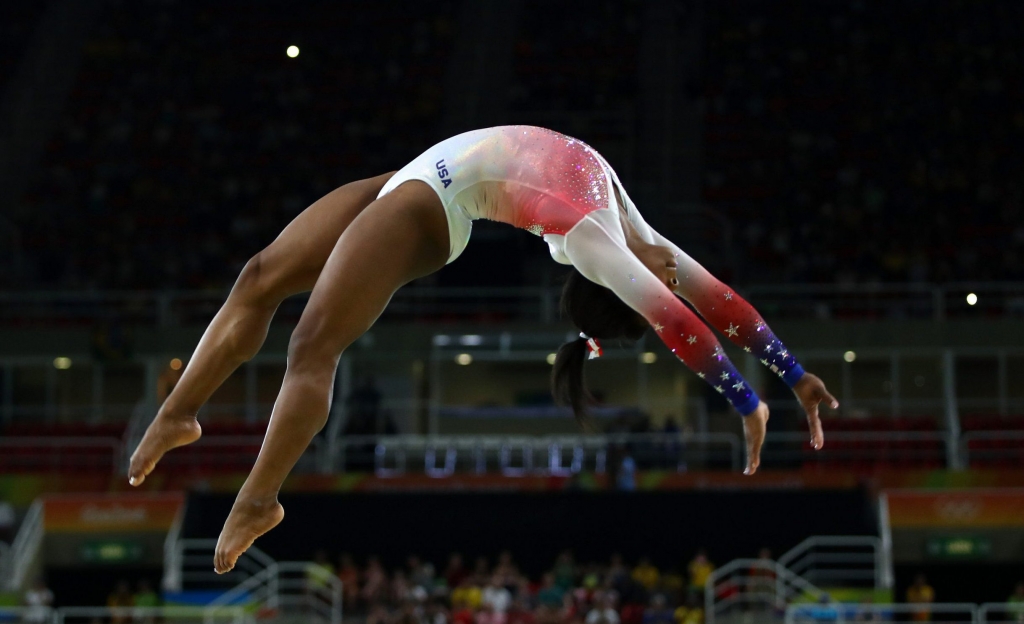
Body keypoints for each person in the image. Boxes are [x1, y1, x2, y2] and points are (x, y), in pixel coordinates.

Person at [126, 125, 839, 572]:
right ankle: (179, 413)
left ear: (622, 290)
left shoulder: (595, 242)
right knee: (259, 276)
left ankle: (260, 497)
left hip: (431, 208)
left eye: (658, 288)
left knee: (313, 343)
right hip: (415, 170)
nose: (676, 282)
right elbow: (723, 305)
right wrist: (795, 374)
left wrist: (745, 399)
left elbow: (682, 325)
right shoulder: (641, 230)